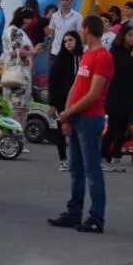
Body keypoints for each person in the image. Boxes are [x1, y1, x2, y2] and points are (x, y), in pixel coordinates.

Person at [49, 14, 111, 234]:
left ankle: (96, 216)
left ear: (86, 30)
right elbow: (76, 86)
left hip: (90, 118)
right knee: (76, 169)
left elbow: (94, 94)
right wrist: (66, 114)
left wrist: (68, 113)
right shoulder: (86, 55)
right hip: (76, 116)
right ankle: (74, 211)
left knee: (92, 169)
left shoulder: (103, 57)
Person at [100, 26, 133, 169]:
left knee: (123, 127)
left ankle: (116, 158)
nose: (132, 38)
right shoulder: (115, 51)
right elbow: (117, 68)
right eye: (130, 35)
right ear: (123, 36)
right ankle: (104, 156)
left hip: (128, 93)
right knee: (113, 126)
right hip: (115, 93)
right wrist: (132, 57)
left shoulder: (132, 51)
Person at [46, 30, 81, 169]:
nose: (68, 43)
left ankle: (76, 159)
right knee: (62, 127)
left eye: (71, 40)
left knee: (77, 128)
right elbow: (52, 82)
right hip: (62, 99)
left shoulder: (82, 57)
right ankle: (63, 159)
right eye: (65, 41)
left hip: (79, 98)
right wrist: (52, 103)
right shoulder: (60, 59)